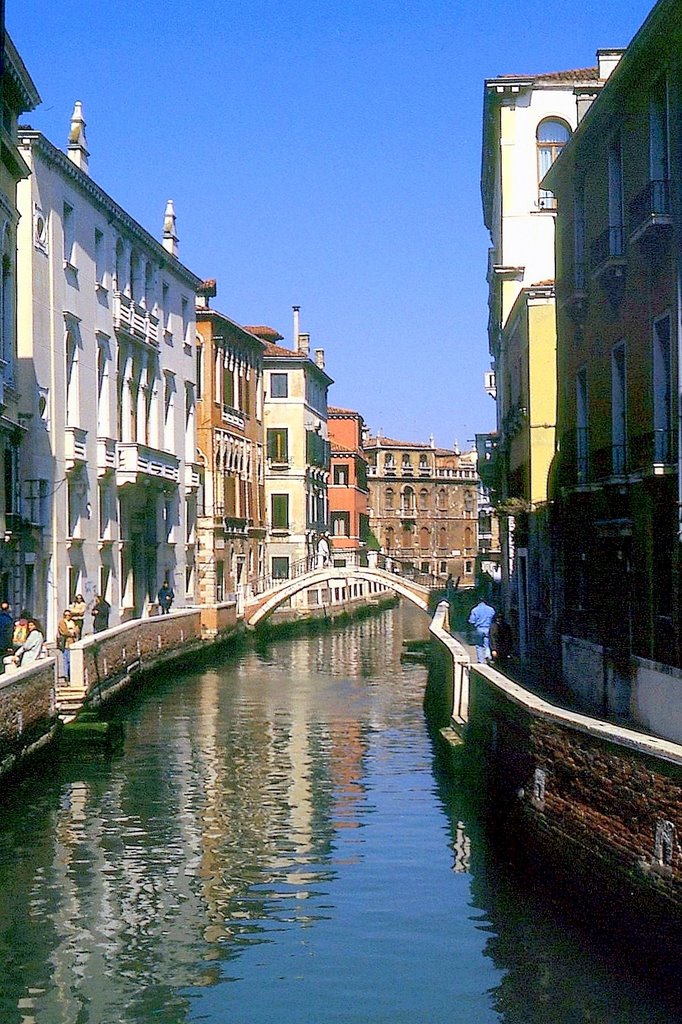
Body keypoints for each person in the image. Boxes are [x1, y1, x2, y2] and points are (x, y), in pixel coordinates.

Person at [468, 597, 496, 664]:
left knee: (479, 645)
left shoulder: (474, 610)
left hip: (479, 629)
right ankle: (488, 655)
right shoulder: (491, 609)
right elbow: (494, 619)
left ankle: (480, 660)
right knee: (487, 643)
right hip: (488, 628)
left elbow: (472, 621)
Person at [56, 609, 78, 680]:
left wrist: (73, 632)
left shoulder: (72, 622)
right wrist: (71, 632)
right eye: (66, 615)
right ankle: (66, 675)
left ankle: (70, 673)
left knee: (71, 659)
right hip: (65, 643)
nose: (67, 616)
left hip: (72, 642)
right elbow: (63, 631)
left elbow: (76, 630)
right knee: (66, 659)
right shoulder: (62, 622)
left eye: (69, 615)